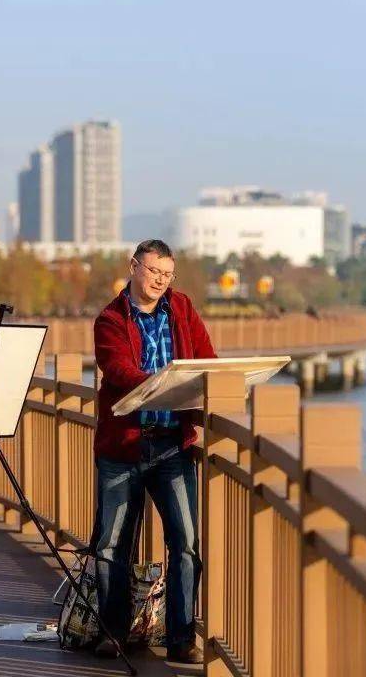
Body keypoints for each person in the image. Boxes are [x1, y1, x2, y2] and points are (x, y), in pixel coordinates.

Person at [91, 239, 216, 664]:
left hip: (171, 448)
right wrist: (164, 383)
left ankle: (181, 639)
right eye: (153, 271)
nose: (160, 280)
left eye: (167, 273)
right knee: (111, 545)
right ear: (133, 267)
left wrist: (195, 398)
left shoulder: (181, 308)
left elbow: (207, 359)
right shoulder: (110, 319)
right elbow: (120, 370)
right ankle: (114, 633)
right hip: (123, 447)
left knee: (186, 542)